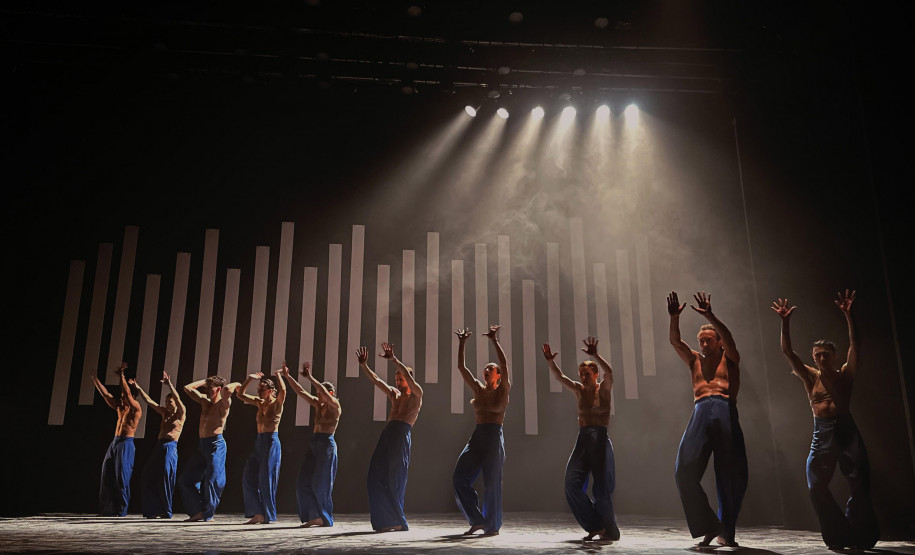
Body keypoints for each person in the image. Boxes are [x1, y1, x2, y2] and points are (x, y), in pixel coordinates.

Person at [772, 290, 879, 549]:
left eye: (825, 354)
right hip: (823, 432)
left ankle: (861, 534)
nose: (820, 358)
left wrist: (848, 315)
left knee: (859, 483)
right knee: (816, 485)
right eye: (817, 355)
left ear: (834, 356)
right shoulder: (810, 377)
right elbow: (788, 352)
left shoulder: (845, 374)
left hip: (846, 429)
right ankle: (838, 532)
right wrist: (785, 322)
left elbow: (856, 346)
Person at [667, 291, 747, 548]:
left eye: (708, 340)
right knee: (683, 471)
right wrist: (674, 318)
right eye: (700, 341)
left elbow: (731, 339)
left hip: (724, 410)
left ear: (719, 341)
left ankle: (727, 531)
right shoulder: (694, 360)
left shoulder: (730, 358)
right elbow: (675, 341)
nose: (703, 345)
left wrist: (710, 315)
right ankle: (709, 524)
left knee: (729, 475)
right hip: (700, 411)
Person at [542, 337, 620, 542]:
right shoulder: (578, 390)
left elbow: (610, 373)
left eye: (587, 373)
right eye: (581, 373)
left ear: (595, 375)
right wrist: (550, 361)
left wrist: (595, 355)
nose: (583, 376)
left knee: (602, 490)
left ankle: (610, 530)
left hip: (600, 439)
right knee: (571, 483)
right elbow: (560, 377)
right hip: (584, 439)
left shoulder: (603, 389)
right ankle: (595, 525)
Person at [357, 342, 423, 532]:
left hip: (401, 435)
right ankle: (385, 520)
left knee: (394, 478)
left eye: (401, 378)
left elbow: (410, 381)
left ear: (408, 379)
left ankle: (397, 520)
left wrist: (394, 360)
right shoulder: (394, 395)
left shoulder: (416, 395)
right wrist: (364, 366)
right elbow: (377, 380)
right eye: (396, 378)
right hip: (387, 434)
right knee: (375, 476)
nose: (397, 381)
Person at [452, 325, 511, 535]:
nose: (486, 371)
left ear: (497, 375)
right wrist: (461, 343)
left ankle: (492, 526)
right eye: (485, 369)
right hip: (478, 436)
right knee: (459, 477)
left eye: (490, 369)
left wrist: (494, 340)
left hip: (494, 436)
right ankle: (477, 520)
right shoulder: (478, 388)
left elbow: (504, 363)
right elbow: (461, 368)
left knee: (492, 483)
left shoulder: (503, 389)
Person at [281, 362, 341, 527]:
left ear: (329, 393)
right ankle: (314, 515)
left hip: (326, 445)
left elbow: (323, 392)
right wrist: (287, 376)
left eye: (321, 393)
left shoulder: (335, 406)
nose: (318, 395)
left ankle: (323, 517)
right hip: (314, 444)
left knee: (320, 483)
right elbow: (300, 391)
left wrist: (310, 377)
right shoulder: (318, 404)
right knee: (303, 481)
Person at [178, 375, 241, 522]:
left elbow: (227, 389)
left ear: (218, 389)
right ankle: (198, 511)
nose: (206, 390)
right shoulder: (204, 402)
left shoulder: (224, 403)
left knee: (212, 480)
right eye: (206, 388)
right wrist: (206, 381)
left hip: (215, 444)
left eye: (209, 388)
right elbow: (187, 388)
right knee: (185, 480)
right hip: (202, 445)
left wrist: (238, 383)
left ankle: (208, 514)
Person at [236, 366, 287, 524]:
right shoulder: (259, 402)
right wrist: (250, 379)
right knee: (248, 476)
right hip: (259, 441)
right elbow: (240, 394)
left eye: (262, 389)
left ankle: (268, 515)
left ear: (271, 391)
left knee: (266, 478)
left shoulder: (277, 404)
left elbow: (283, 391)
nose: (258, 392)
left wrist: (279, 376)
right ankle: (258, 512)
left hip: (271, 441)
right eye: (258, 389)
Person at [133, 371, 186, 519]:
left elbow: (179, 399)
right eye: (166, 402)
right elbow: (149, 401)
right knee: (147, 475)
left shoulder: (180, 414)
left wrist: (169, 385)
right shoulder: (164, 413)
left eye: (169, 402)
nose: (167, 404)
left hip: (170, 447)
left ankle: (166, 511)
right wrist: (139, 388)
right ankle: (152, 510)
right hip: (159, 446)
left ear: (175, 403)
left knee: (165, 477)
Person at [92, 361, 141, 517]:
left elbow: (126, 393)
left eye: (124, 394)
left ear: (132, 396)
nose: (121, 396)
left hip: (126, 444)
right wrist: (95, 379)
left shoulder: (136, 408)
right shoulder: (120, 407)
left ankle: (121, 510)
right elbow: (106, 394)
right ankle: (107, 509)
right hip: (115, 442)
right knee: (107, 474)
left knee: (122, 477)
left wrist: (121, 375)